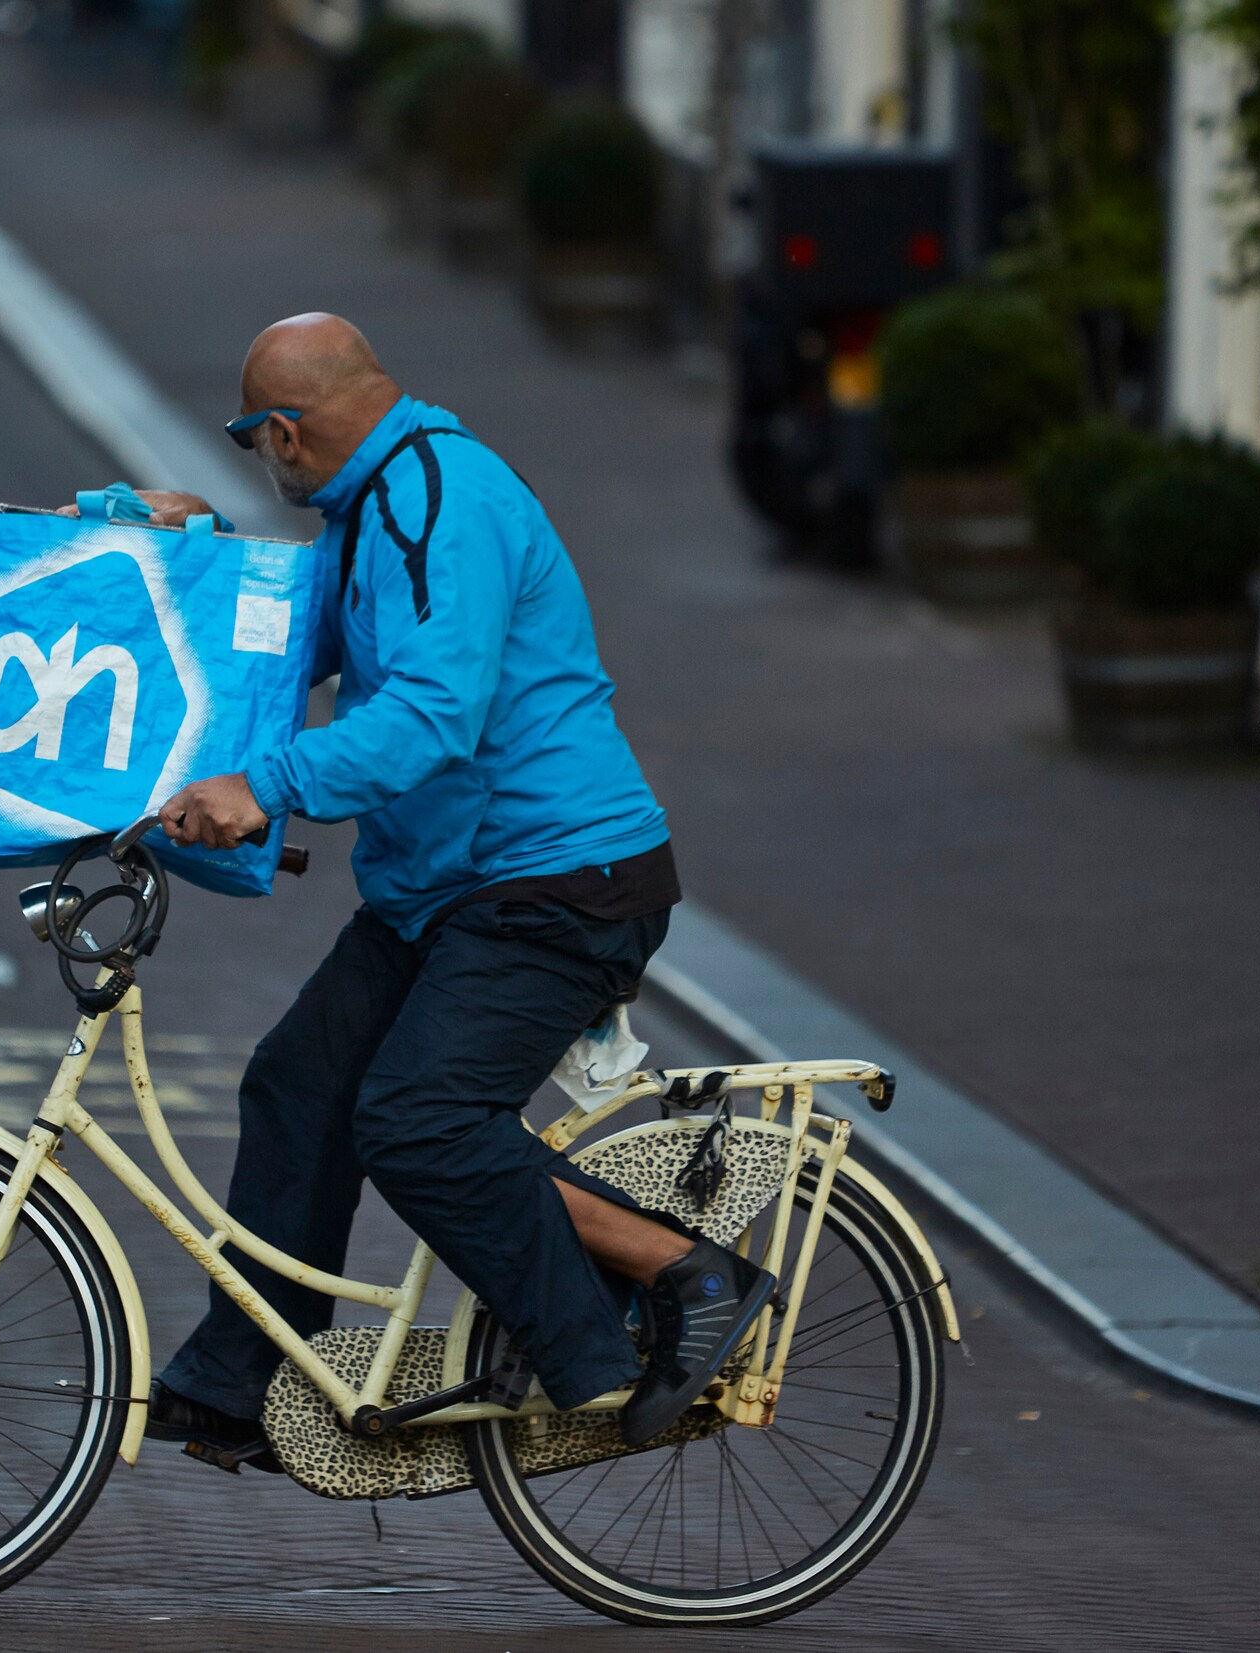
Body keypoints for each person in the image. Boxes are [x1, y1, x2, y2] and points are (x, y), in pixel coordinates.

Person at [127, 314, 775, 1462]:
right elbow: (285, 649)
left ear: (283, 432)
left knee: (418, 1122)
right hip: (448, 892)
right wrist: (198, 550)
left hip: (560, 885)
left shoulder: (439, 501)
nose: (256, 460)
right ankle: (245, 1379)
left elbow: (433, 715)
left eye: (248, 442)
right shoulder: (368, 506)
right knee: (296, 1084)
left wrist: (266, 787)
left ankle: (672, 1287)